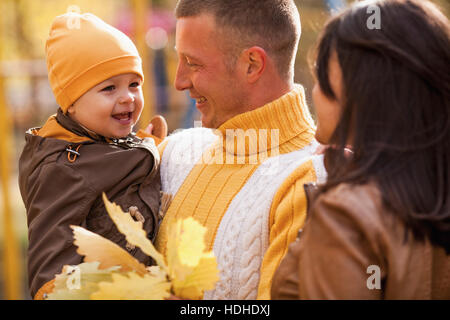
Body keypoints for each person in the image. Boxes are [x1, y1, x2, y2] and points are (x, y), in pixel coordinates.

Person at [271, 0, 450, 299]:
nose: (313, 92)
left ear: (358, 90)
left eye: (320, 76)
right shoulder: (430, 195)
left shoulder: (347, 215)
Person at [154, 0, 326, 300]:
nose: (179, 81)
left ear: (253, 65)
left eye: (193, 63)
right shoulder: (173, 153)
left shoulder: (310, 181)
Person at [18, 12, 167, 300]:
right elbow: (51, 273)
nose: (127, 97)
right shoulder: (62, 171)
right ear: (71, 104)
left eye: (134, 84)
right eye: (109, 88)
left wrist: (150, 143)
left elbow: (121, 162)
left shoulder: (103, 139)